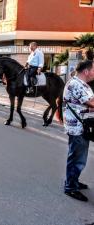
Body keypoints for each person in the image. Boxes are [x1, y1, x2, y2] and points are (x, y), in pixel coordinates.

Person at [63, 60, 94, 202]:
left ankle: (72, 181)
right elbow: (92, 102)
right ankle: (70, 187)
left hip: (81, 125)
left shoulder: (79, 83)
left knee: (76, 157)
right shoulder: (76, 84)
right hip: (78, 127)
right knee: (77, 159)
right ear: (86, 71)